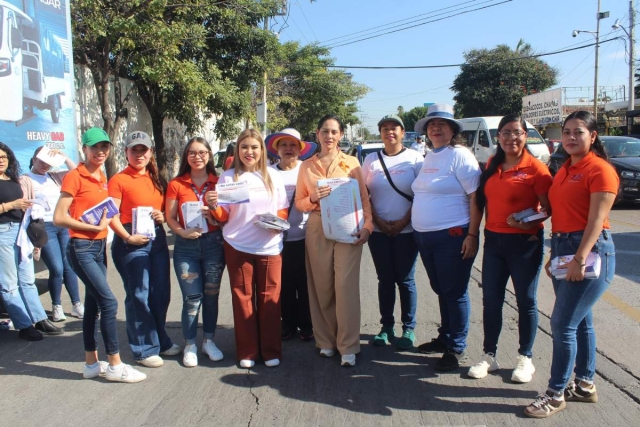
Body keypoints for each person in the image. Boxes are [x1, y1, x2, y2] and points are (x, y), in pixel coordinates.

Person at [524, 111, 618, 418]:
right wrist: (558, 254)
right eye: (566, 132)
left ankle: (555, 393)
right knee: (581, 321)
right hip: (565, 245)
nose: (571, 137)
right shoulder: (566, 168)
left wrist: (578, 258)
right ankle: (585, 384)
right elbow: (564, 215)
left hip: (589, 250)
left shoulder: (600, 170)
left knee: (562, 324)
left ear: (593, 137)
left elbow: (595, 222)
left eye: (578, 132)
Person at [54, 128, 146, 383]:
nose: (100, 151)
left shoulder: (102, 176)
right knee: (109, 303)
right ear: (84, 148)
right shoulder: (74, 177)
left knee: (94, 305)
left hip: (98, 248)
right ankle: (115, 365)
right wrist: (94, 228)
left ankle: (91, 364)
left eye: (104, 147)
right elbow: (60, 217)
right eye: (95, 147)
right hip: (81, 247)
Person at [468, 114, 552, 382]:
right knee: (491, 300)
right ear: (499, 136)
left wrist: (528, 222)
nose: (510, 138)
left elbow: (548, 209)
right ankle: (488, 356)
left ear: (525, 136)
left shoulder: (537, 169)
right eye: (505, 132)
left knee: (526, 301)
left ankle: (525, 358)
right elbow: (481, 202)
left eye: (516, 132)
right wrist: (473, 233)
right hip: (494, 241)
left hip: (524, 243)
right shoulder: (493, 164)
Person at [295, 115, 373, 367]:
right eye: (324, 131)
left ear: (340, 135)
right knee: (322, 287)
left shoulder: (351, 163)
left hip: (349, 227)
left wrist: (368, 227)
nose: (329, 136)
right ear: (317, 134)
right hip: (317, 227)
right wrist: (313, 198)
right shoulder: (306, 167)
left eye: (334, 132)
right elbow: (299, 203)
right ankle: (326, 341)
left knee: (345, 287)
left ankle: (348, 345)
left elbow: (364, 198)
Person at [206, 129, 288, 369]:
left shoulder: (273, 176)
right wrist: (213, 206)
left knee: (269, 299)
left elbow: (283, 208)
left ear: (262, 150)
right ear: (237, 151)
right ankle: (248, 351)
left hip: (269, 246)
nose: (249, 152)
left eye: (254, 147)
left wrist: (276, 222)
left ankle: (271, 350)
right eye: (244, 147)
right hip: (237, 245)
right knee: (243, 299)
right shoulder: (228, 178)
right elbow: (223, 214)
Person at [411, 103, 482, 371]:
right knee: (442, 289)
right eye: (431, 125)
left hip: (453, 235)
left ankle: (456, 347)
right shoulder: (429, 155)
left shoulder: (460, 155)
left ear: (453, 130)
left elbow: (476, 197)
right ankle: (445, 337)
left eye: (442, 124)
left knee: (455, 291)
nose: (436, 128)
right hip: (425, 237)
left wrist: (472, 235)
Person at [109, 131, 180, 368]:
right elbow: (111, 215)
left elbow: (162, 210)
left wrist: (161, 215)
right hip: (131, 241)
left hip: (156, 238)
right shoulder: (118, 180)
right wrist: (128, 237)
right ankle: (144, 349)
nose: (139, 154)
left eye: (143, 150)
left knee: (160, 293)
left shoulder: (157, 178)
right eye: (134, 150)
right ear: (126, 153)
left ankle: (160, 339)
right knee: (139, 294)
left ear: (150, 153)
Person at [362, 114, 423, 350]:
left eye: (394, 128)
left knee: (406, 280)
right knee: (385, 280)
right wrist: (378, 220)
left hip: (407, 231)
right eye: (385, 128)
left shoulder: (416, 158)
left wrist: (402, 222)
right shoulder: (371, 160)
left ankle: (409, 328)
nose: (390, 132)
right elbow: (364, 194)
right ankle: (386, 327)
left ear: (403, 132)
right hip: (378, 231)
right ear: (380, 133)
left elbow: (421, 195)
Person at [166, 137, 226, 368]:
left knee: (211, 296)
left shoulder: (219, 183)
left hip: (213, 244)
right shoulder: (176, 184)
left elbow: (225, 218)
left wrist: (214, 216)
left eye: (202, 152)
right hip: (186, 248)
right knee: (192, 298)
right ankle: (190, 344)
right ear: (186, 156)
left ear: (209, 155)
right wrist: (182, 232)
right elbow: (170, 217)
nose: (197, 157)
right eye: (192, 152)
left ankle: (208, 341)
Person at [0, 142, 63, 341]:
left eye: (3, 157)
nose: (1, 161)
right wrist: (12, 205)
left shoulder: (11, 179)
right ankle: (24, 325)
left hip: (20, 232)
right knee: (9, 284)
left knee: (27, 280)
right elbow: (10, 205)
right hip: (2, 233)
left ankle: (39, 318)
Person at [20, 146, 83, 322]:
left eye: (49, 163)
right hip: (44, 227)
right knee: (57, 268)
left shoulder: (54, 176)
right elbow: (23, 203)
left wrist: (63, 156)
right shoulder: (25, 179)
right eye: (41, 161)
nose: (45, 165)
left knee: (70, 266)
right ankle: (57, 306)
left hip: (62, 224)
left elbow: (77, 171)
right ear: (33, 159)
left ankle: (77, 304)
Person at [266, 128, 317, 342]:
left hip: (305, 237)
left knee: (305, 283)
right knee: (283, 283)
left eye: (293, 145)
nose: (288, 149)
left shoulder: (307, 171)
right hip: (276, 239)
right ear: (277, 149)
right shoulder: (268, 173)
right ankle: (287, 323)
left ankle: (307, 324)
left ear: (300, 149)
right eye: (284, 145)